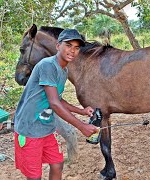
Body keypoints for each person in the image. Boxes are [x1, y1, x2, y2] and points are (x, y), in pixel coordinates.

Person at [13, 28, 99, 180]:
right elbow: (54, 104)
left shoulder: (63, 70)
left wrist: (82, 111)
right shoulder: (47, 65)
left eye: (77, 47)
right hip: (29, 129)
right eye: (68, 45)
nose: (72, 50)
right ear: (58, 46)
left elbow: (57, 98)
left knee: (57, 164)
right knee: (34, 176)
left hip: (45, 128)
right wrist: (82, 126)